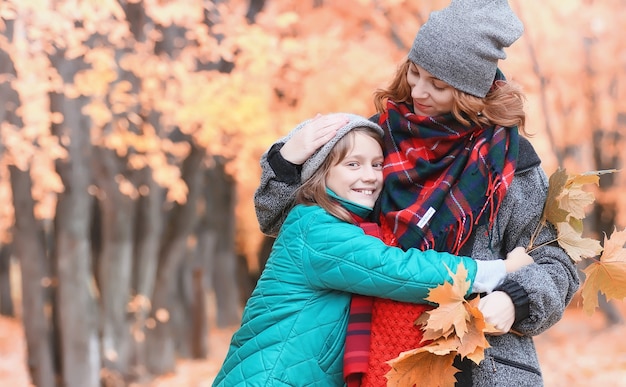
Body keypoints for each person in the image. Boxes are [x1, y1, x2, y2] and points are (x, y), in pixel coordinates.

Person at [253, 1, 580, 386]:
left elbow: (556, 261)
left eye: (438, 85)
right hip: (369, 356)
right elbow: (283, 221)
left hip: (476, 365)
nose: (419, 91)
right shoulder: (375, 141)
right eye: (415, 72)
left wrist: (515, 299)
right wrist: (287, 160)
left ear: (469, 92)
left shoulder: (512, 167)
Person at [213, 113, 533, 387]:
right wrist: (495, 270)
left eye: (377, 164)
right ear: (318, 175)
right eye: (353, 164)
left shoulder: (329, 222)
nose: (369, 175)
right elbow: (396, 268)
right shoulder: (317, 229)